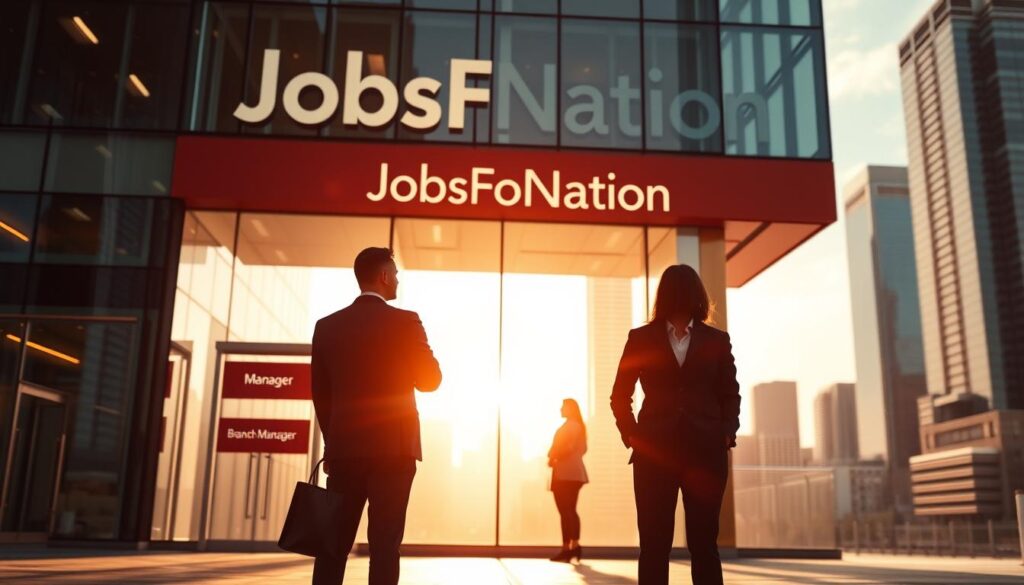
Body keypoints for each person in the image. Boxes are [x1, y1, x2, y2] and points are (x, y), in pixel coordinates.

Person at [309, 247, 442, 585]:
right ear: (383, 276)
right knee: (385, 544)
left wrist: (334, 442)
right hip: (394, 452)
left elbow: (321, 396)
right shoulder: (406, 321)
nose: (398, 279)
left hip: (344, 453)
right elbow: (430, 381)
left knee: (332, 546)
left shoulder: (327, 326)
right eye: (395, 273)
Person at [610, 264, 741, 585]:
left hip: (706, 455)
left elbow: (730, 394)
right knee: (654, 546)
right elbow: (619, 395)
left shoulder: (716, 339)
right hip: (654, 456)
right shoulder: (641, 338)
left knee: (704, 545)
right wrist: (633, 437)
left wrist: (726, 433)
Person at [547, 398, 588, 563]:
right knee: (571, 510)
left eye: (563, 406)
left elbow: (564, 448)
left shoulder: (567, 428)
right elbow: (583, 449)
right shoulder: (580, 427)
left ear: (570, 408)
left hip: (564, 473)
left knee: (565, 511)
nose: (560, 408)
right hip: (576, 473)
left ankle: (566, 549)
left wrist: (553, 457)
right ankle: (575, 547)